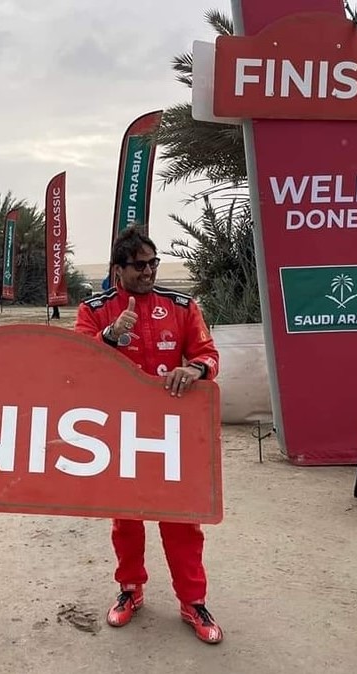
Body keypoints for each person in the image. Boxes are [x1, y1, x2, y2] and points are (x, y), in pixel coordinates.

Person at [73, 226, 223, 644]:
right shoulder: (96, 309)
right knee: (126, 519)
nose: (149, 272)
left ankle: (193, 602)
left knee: (182, 522)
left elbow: (208, 355)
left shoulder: (181, 305)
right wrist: (109, 336)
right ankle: (130, 590)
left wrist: (192, 369)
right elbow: (76, 360)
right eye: (140, 265)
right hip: (119, 433)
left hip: (173, 435)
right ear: (118, 269)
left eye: (153, 263)